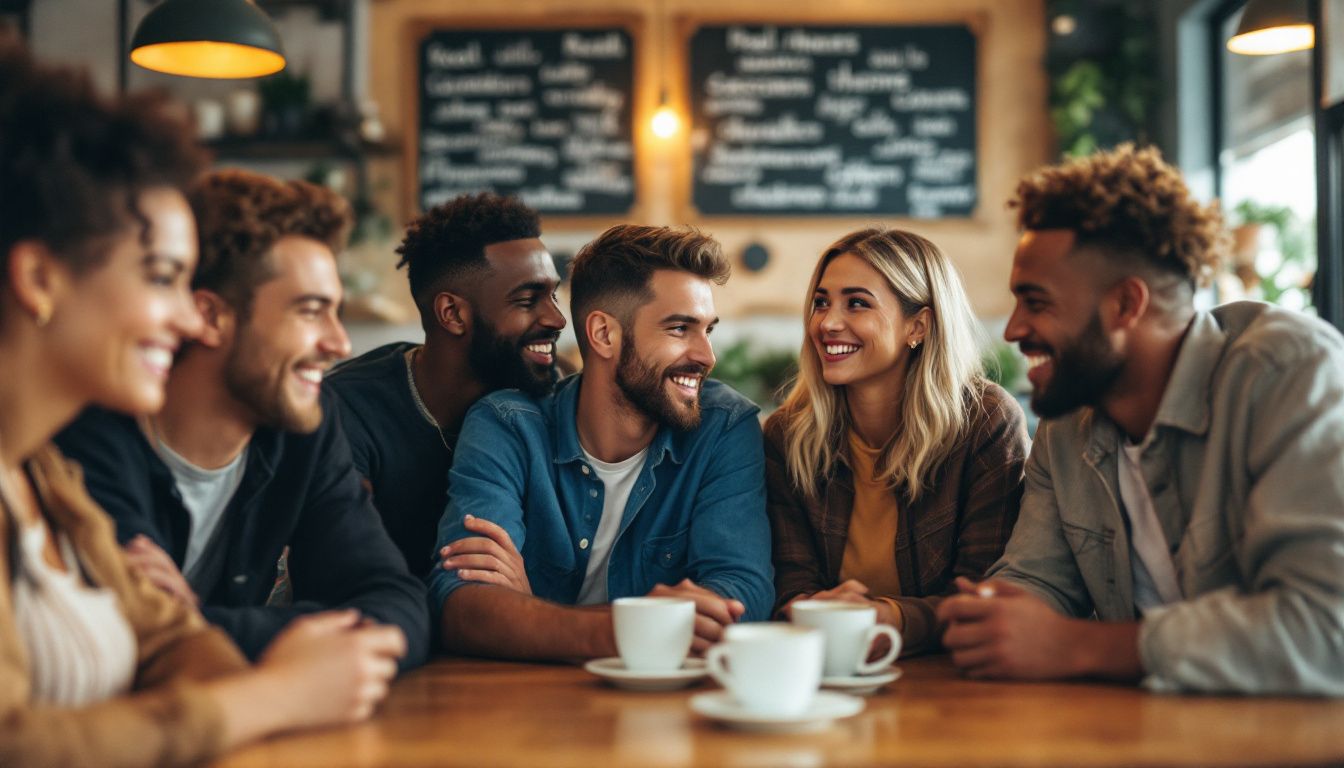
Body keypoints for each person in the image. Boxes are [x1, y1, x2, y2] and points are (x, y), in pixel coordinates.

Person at [0, 39, 403, 767]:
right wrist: (277, 695)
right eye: (161, 278)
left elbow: (174, 642)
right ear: (39, 278)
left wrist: (242, 674)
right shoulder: (75, 452)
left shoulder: (46, 485)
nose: (186, 318)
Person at [937, 144, 1344, 695]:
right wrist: (993, 618)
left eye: (1035, 302)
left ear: (1125, 305)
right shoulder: (1067, 419)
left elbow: (1326, 628)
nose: (1011, 330)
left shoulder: (1287, 373)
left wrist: (1074, 646)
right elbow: (1036, 580)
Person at [55, 169, 429, 667]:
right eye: (311, 311)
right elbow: (126, 639)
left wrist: (198, 623)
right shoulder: (92, 434)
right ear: (210, 317)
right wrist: (304, 640)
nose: (339, 344)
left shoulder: (306, 427)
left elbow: (399, 607)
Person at [430, 224, 774, 661]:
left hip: (667, 703)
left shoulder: (724, 427)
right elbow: (463, 607)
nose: (706, 355)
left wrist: (530, 614)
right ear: (604, 334)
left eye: (707, 329)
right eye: (680, 328)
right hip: (521, 709)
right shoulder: (508, 427)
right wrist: (629, 629)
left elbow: (743, 596)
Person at [766, 229, 1028, 656]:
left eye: (857, 303)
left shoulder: (985, 423)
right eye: (821, 302)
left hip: (954, 683)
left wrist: (890, 618)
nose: (827, 323)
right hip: (825, 672)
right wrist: (810, 609)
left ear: (918, 325)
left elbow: (987, 591)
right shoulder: (787, 435)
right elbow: (787, 585)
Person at [327, 193, 565, 574]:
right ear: (452, 314)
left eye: (552, 295)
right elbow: (347, 569)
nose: (557, 318)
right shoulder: (347, 410)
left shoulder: (553, 394)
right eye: (527, 300)